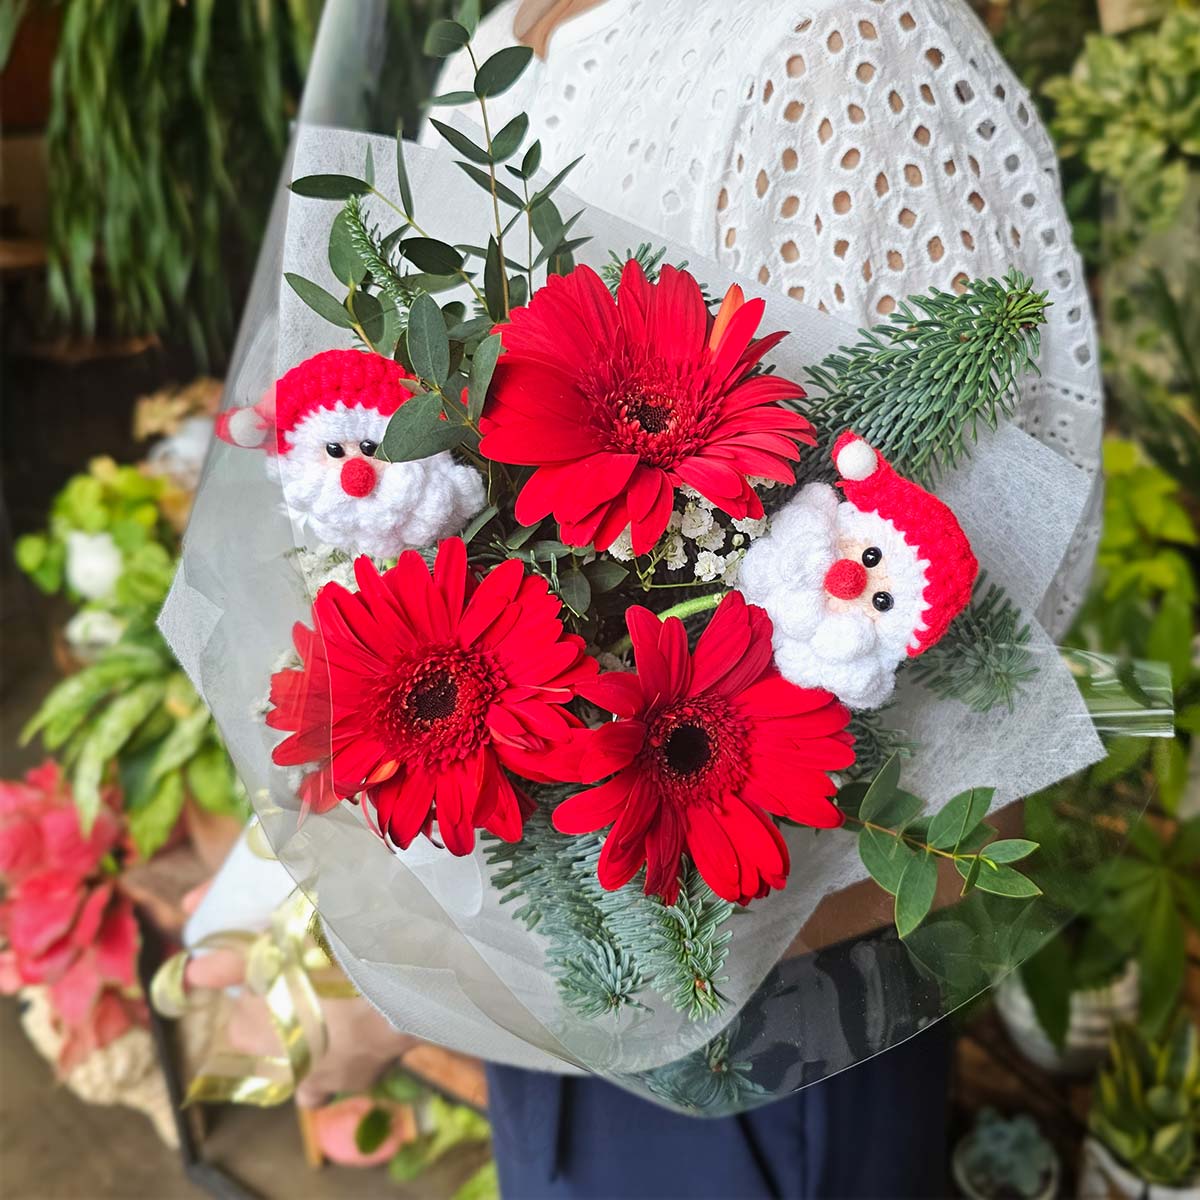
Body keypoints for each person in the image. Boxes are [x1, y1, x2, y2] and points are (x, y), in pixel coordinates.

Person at [421, 1, 1103, 1195]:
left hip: (775, 998)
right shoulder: (490, 46)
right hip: (552, 957)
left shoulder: (840, 47)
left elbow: (963, 593)